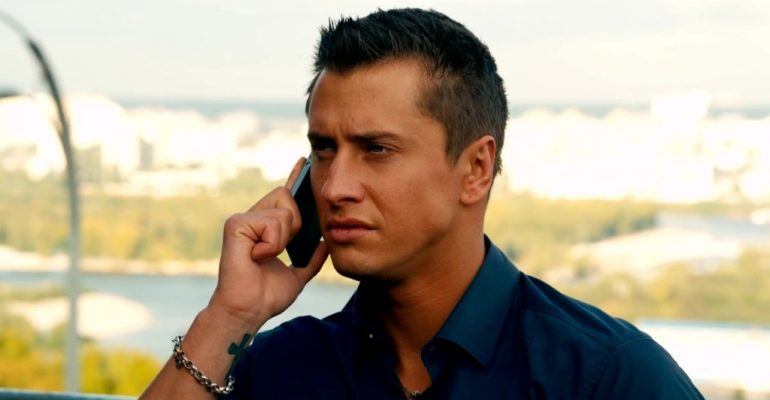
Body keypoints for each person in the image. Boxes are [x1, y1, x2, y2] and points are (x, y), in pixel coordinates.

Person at [141, 8, 703, 399]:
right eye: (324, 149)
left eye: (377, 149)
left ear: (476, 169)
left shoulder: (605, 377)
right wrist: (229, 317)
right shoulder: (279, 367)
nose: (334, 187)